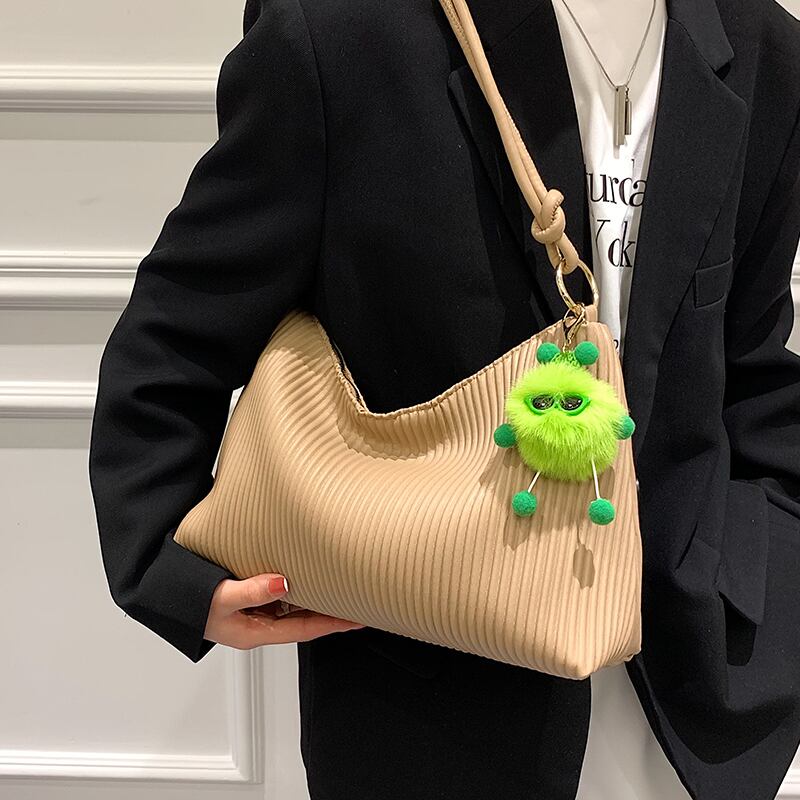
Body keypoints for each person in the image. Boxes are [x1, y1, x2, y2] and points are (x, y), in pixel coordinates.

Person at [88, 0, 800, 798]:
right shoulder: (343, 28)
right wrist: (172, 573)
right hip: (427, 704)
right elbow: (184, 321)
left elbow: (751, 363)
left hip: (685, 714)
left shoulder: (763, 50)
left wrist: (774, 594)